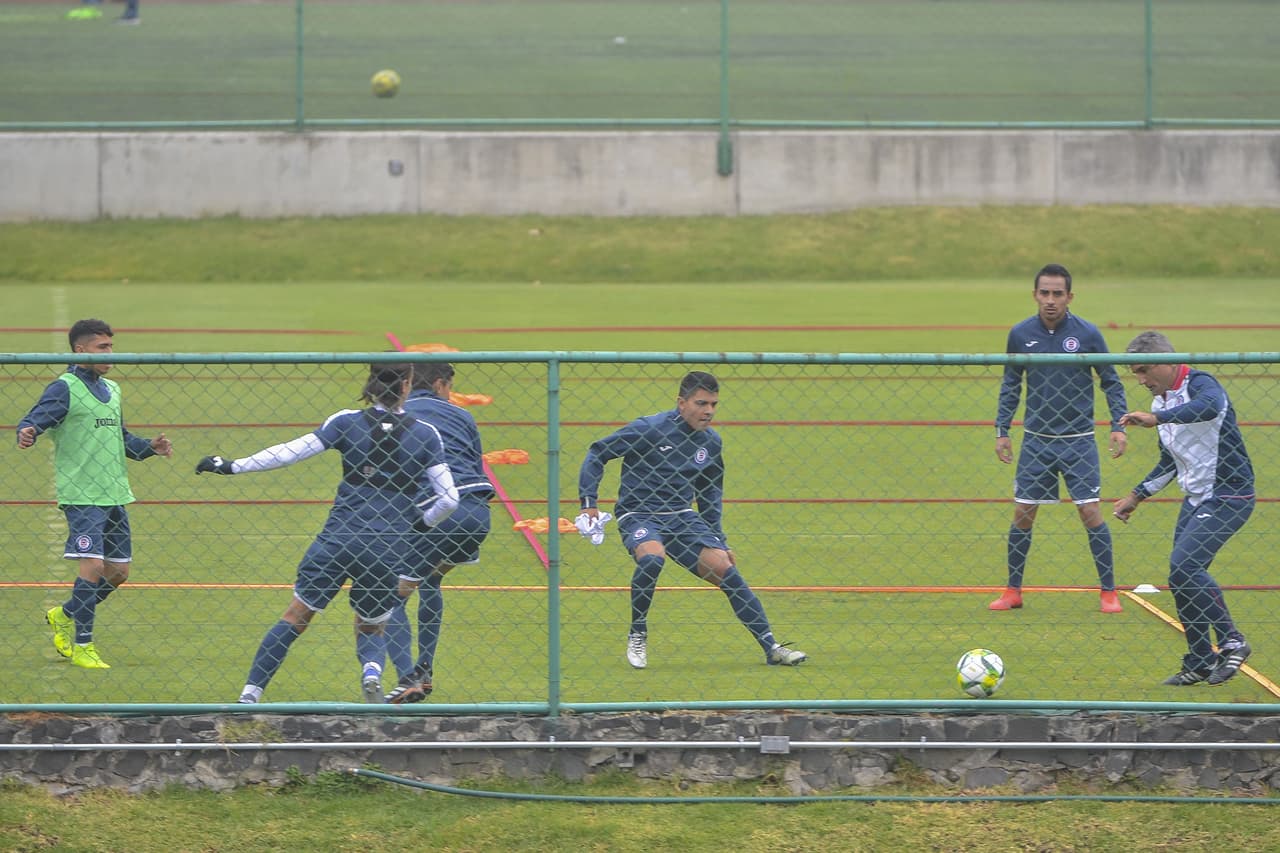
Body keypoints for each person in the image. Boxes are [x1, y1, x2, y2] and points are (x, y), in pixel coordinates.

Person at [195, 362, 459, 704]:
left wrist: (231, 465)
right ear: (408, 385)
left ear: (371, 383)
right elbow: (450, 499)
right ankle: (372, 674)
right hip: (385, 547)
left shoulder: (347, 422)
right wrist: (421, 523)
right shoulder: (426, 434)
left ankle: (250, 695)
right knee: (371, 623)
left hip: (337, 540)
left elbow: (291, 451)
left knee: (295, 616)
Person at [577, 370, 807, 669]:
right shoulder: (649, 429)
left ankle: (771, 648)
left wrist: (720, 541)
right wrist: (588, 502)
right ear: (681, 402)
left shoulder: (711, 443)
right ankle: (638, 632)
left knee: (727, 570)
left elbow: (710, 495)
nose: (708, 411)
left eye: (713, 404)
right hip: (639, 513)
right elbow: (598, 452)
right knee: (652, 559)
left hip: (682, 518)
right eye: (701, 403)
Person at [18, 318, 172, 670]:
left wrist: (150, 447)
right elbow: (32, 420)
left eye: (111, 347)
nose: (110, 354)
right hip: (83, 495)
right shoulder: (65, 388)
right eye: (103, 348)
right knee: (93, 567)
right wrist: (27, 432)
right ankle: (83, 645)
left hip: (115, 493)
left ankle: (64, 613)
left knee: (119, 573)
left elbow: (122, 439)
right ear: (80, 349)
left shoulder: (113, 390)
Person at [1113, 331, 1256, 686]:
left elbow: (1208, 407)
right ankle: (1199, 660)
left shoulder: (1200, 383)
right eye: (1136, 374)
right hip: (1196, 499)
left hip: (1229, 494)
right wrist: (1137, 495)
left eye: (1145, 371)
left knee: (1185, 565)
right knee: (1181, 578)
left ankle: (1232, 641)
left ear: (1167, 362)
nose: (1142, 380)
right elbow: (1169, 461)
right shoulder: (1161, 402)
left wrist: (1158, 419)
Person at [991, 263, 1129, 613]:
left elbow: (1110, 379)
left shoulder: (1088, 334)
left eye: (1058, 294)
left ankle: (1108, 592)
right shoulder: (1020, 334)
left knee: (1090, 511)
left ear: (1070, 296)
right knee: (1023, 512)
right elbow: (1011, 384)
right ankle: (1013, 591)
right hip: (1036, 441)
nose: (1050, 300)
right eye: (1044, 293)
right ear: (1035, 295)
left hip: (1079, 441)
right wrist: (1002, 430)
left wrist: (1118, 424)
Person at [380, 362, 495, 704]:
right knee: (429, 579)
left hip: (434, 512)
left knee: (387, 596)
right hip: (476, 515)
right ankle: (426, 669)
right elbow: (474, 463)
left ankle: (408, 677)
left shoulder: (398, 414)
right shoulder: (463, 417)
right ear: (441, 385)